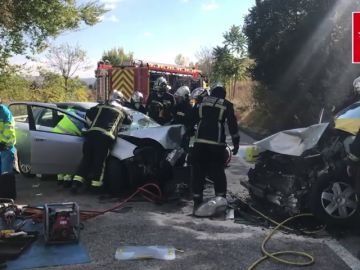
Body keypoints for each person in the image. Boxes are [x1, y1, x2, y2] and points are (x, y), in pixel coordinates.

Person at [189, 82, 240, 213]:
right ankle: (221, 199)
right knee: (218, 172)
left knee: (198, 172)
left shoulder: (201, 102)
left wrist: (187, 139)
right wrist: (236, 143)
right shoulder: (226, 104)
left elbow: (191, 120)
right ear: (223, 93)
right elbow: (233, 125)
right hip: (216, 145)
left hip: (199, 143)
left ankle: (197, 200)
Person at [71, 93, 132, 193]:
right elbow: (129, 122)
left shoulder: (99, 106)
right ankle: (96, 187)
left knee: (86, 159)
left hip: (90, 134)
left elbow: (88, 114)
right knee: (99, 162)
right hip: (105, 137)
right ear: (121, 101)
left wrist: (92, 123)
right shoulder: (122, 111)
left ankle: (76, 183)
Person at [52, 108, 85, 187]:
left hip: (53, 135)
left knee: (59, 158)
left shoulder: (70, 114)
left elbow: (69, 109)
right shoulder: (81, 123)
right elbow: (84, 133)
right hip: (65, 139)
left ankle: (60, 179)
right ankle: (67, 180)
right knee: (69, 158)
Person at [0, 102, 16, 199]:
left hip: (6, 147)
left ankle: (8, 197)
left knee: (6, 174)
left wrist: (3, 142)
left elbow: (10, 130)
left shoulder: (4, 112)